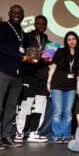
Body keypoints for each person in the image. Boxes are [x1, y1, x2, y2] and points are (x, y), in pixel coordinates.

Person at [0, 5, 26, 150]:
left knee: (11, 107)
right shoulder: (0, 27)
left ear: (23, 16)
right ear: (9, 13)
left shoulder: (23, 33)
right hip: (1, 71)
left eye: (19, 13)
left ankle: (6, 136)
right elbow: (0, 46)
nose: (17, 14)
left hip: (17, 74)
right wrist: (20, 55)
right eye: (14, 12)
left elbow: (28, 53)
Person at [15, 15, 51, 143]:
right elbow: (23, 54)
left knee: (40, 106)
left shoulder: (46, 39)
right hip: (30, 75)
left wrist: (47, 58)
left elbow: (46, 58)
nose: (41, 26)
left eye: (43, 24)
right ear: (35, 24)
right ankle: (19, 132)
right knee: (26, 105)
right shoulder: (27, 36)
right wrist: (36, 56)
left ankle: (34, 132)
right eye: (39, 23)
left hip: (42, 76)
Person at [47, 31, 79, 143]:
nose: (72, 41)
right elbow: (53, 67)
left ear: (77, 40)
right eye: (69, 39)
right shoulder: (60, 51)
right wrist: (49, 81)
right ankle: (57, 135)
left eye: (73, 39)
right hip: (57, 84)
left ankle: (66, 135)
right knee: (58, 111)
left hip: (71, 86)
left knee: (67, 112)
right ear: (66, 41)